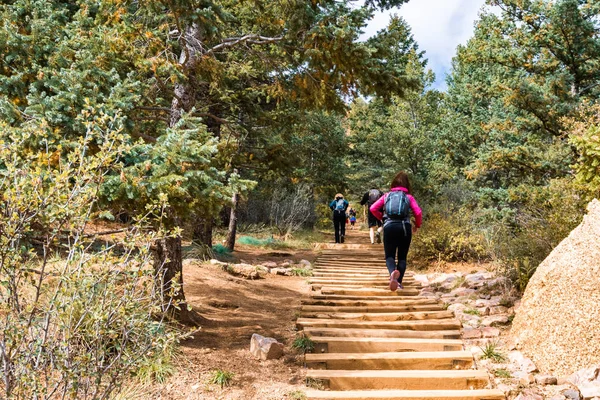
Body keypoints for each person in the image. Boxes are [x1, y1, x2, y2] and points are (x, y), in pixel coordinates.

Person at [370, 172, 422, 292]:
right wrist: (417, 225)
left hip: (389, 226)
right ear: (407, 185)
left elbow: (373, 208)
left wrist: (382, 218)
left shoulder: (387, 196)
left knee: (390, 256)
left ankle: (393, 272)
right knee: (402, 257)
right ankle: (398, 283)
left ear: (393, 183)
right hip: (405, 227)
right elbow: (418, 213)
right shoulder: (408, 197)